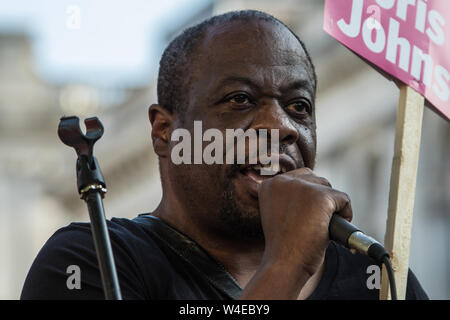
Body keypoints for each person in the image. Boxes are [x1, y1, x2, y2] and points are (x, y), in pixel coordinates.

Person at [21, 10, 428, 300]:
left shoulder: (378, 280)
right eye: (240, 100)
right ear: (165, 132)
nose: (280, 126)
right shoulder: (89, 261)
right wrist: (286, 266)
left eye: (299, 106)